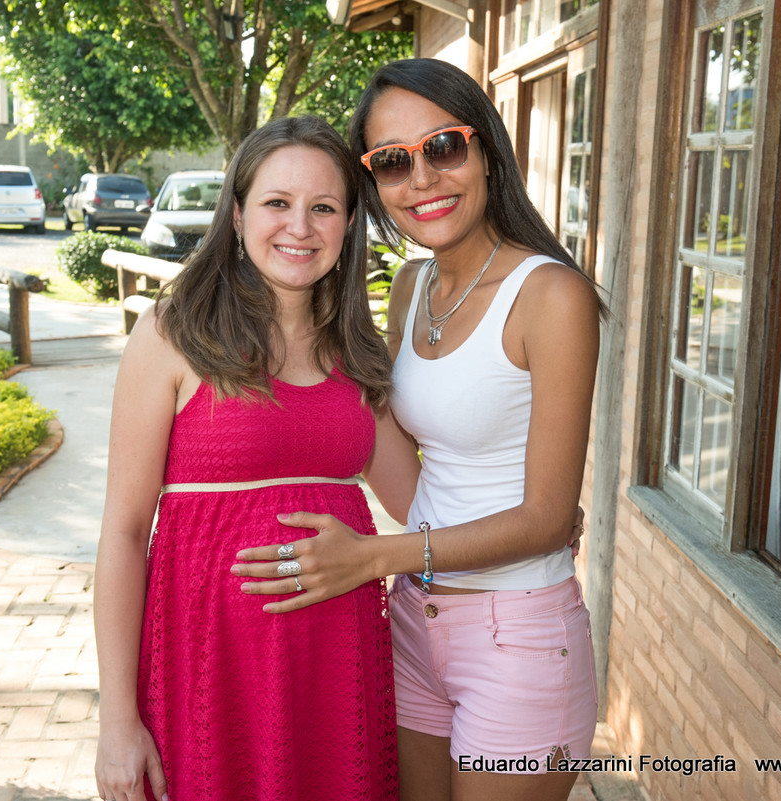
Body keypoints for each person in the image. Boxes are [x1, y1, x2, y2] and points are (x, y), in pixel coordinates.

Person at [234, 59, 605, 801]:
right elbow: (400, 463)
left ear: (486, 150)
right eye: (393, 162)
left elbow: (546, 518)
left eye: (443, 147)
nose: (423, 178)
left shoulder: (551, 296)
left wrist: (372, 557)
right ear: (374, 185)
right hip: (414, 620)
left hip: (517, 632)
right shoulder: (411, 286)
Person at [94, 115, 418, 801]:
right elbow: (123, 533)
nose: (300, 227)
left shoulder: (358, 351)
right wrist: (117, 720)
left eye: (323, 207)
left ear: (349, 223)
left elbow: (418, 502)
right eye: (277, 202)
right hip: (208, 674)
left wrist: (524, 510)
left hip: (336, 668)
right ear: (238, 214)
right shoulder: (173, 332)